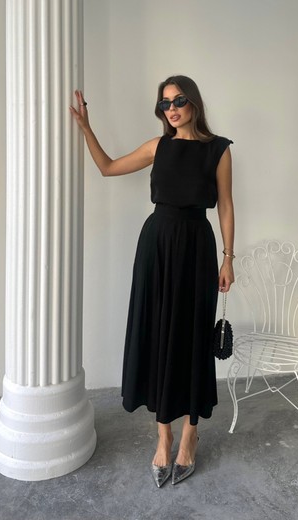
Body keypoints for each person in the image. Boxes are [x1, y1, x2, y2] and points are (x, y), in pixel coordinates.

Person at [70, 75, 235, 487]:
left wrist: (228, 258)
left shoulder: (218, 149)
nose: (171, 109)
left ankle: (190, 433)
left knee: (192, 335)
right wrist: (87, 127)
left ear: (194, 102)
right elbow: (108, 168)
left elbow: (226, 205)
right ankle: (164, 436)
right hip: (156, 246)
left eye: (178, 100)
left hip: (197, 247)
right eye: (164, 103)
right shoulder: (157, 147)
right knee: (158, 332)